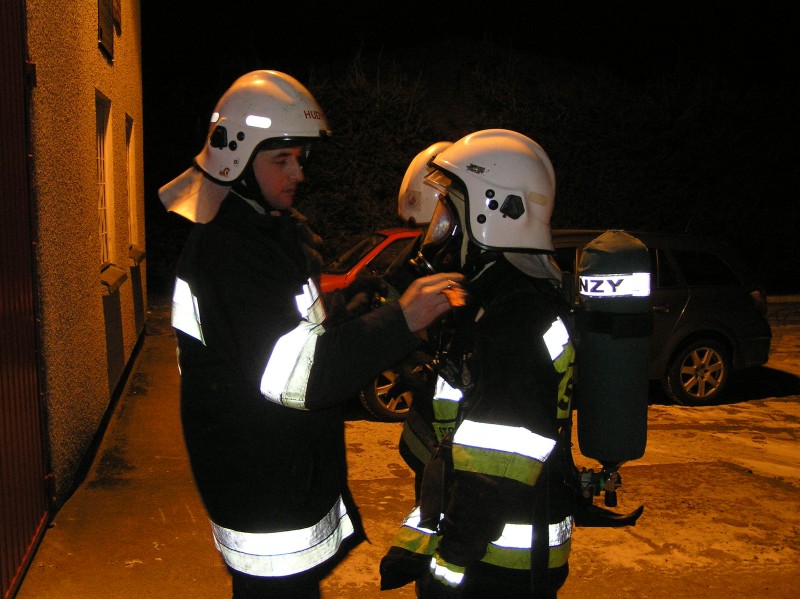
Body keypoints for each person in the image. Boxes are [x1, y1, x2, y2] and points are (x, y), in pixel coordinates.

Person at [158, 69, 464, 598]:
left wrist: (378, 297)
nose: (298, 173)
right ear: (235, 159)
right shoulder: (228, 252)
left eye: (300, 158)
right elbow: (299, 374)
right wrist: (400, 321)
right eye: (282, 159)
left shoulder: (264, 231)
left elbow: (307, 324)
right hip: (262, 486)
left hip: (281, 471)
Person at [379, 129, 577, 598]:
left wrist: (446, 569)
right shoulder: (505, 302)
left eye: (451, 210)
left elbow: (493, 470)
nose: (441, 225)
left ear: (493, 212)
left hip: (497, 566)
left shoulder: (516, 319)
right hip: (494, 554)